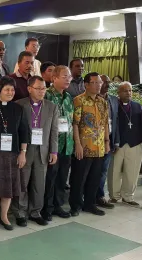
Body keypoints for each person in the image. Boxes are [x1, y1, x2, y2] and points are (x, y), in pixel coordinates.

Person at [12, 76, 59, 227]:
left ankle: (35, 212)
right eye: (38, 88)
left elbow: (54, 131)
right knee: (23, 182)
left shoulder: (52, 106)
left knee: (39, 184)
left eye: (44, 88)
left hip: (43, 150)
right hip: (24, 150)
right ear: (29, 88)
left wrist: (54, 151)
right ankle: (20, 212)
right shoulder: (19, 105)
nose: (41, 91)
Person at [0, 76, 29, 230]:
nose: (10, 92)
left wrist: (23, 152)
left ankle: (4, 216)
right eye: (7, 89)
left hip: (13, 153)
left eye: (12, 90)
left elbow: (24, 132)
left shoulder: (18, 108)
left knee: (8, 188)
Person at [70, 72, 109, 217]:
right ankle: (75, 205)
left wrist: (107, 141)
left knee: (94, 178)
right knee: (79, 178)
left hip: (99, 147)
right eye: (95, 82)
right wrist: (78, 144)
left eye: (100, 83)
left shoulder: (102, 102)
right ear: (86, 85)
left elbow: (105, 124)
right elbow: (74, 123)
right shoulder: (78, 100)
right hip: (84, 147)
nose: (99, 85)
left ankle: (90, 204)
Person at [41, 65, 74, 221]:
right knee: (50, 178)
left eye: (69, 77)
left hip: (66, 144)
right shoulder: (47, 95)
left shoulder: (68, 97)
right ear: (54, 78)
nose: (68, 79)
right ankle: (46, 208)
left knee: (62, 178)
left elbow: (71, 121)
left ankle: (58, 205)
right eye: (64, 76)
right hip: (51, 144)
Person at [109, 82, 142, 207]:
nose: (128, 93)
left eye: (130, 90)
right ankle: (114, 196)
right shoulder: (113, 106)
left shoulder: (138, 106)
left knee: (132, 171)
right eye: (125, 90)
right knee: (114, 171)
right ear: (118, 93)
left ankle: (128, 196)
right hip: (118, 144)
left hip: (135, 143)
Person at [96, 75, 118, 209]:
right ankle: (88, 195)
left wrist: (116, 141)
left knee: (103, 170)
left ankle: (100, 196)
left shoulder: (114, 100)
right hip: (94, 142)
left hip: (108, 141)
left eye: (109, 82)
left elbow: (116, 122)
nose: (107, 84)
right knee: (92, 171)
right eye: (104, 82)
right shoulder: (91, 99)